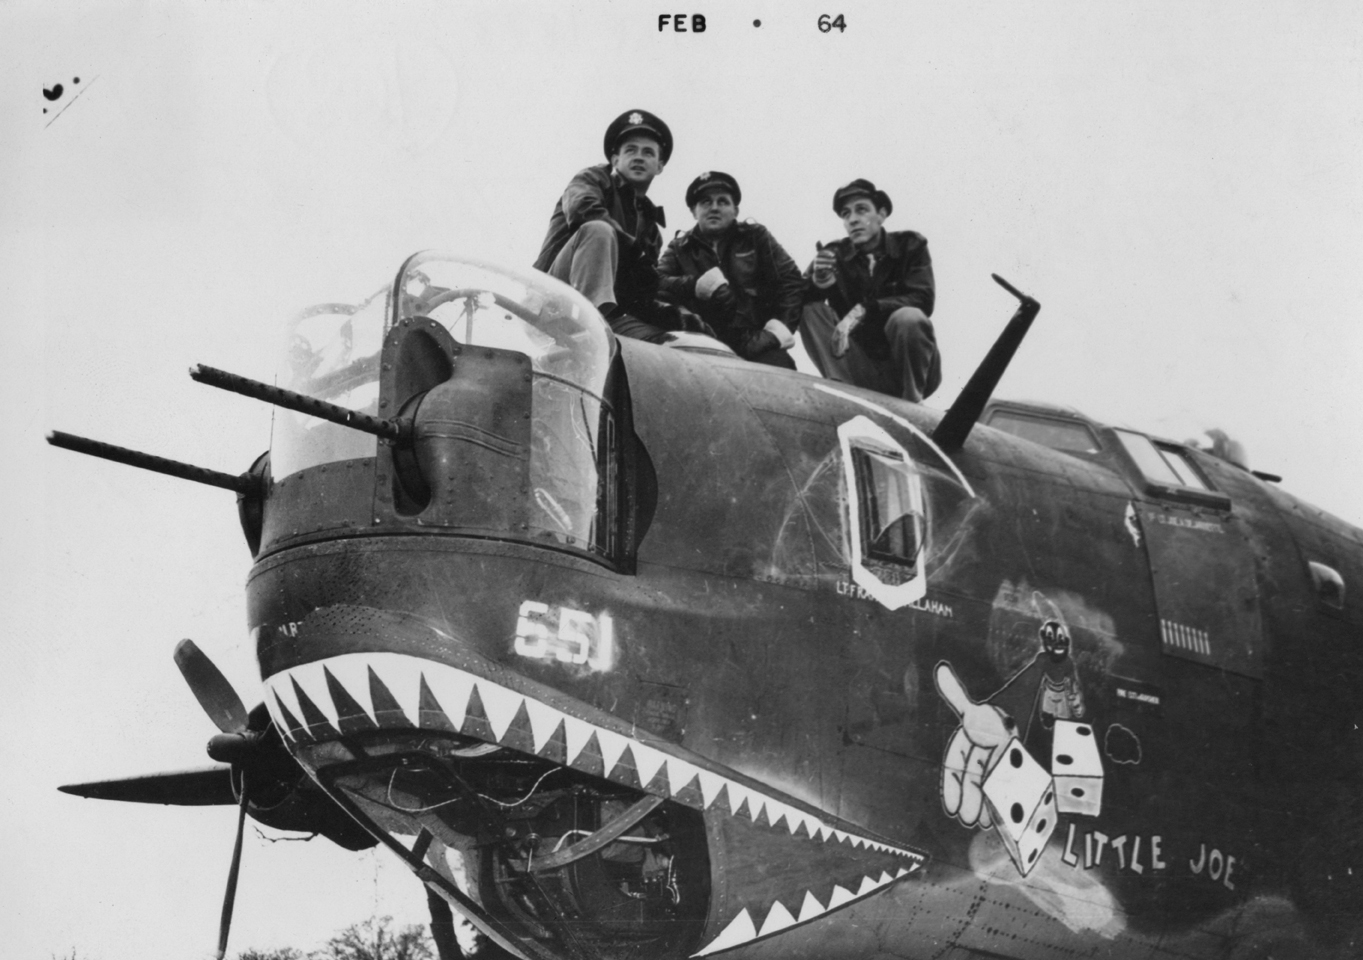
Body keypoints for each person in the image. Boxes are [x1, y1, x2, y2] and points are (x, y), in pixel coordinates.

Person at [534, 110, 698, 342]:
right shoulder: (592, 179)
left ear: (660, 166)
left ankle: (606, 324)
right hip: (550, 302)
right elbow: (583, 210)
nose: (639, 157)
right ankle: (592, 318)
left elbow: (644, 285)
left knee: (670, 342)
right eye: (630, 150)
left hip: (613, 313)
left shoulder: (651, 228)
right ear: (615, 160)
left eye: (648, 152)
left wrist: (673, 313)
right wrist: (634, 250)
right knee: (598, 230)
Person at [800, 179, 940, 402]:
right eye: (846, 214)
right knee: (810, 310)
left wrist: (868, 308)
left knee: (908, 317)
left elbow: (923, 298)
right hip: (860, 366)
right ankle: (843, 391)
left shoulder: (910, 245)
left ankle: (912, 401)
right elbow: (798, 302)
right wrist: (819, 282)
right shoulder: (834, 253)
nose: (853, 219)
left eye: (861, 210)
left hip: (909, 369)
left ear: (881, 215)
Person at [657, 171, 804, 368]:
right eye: (706, 202)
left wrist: (776, 332)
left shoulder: (756, 237)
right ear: (694, 211)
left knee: (782, 373)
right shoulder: (679, 247)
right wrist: (694, 286)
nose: (714, 208)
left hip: (754, 341)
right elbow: (657, 281)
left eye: (723, 202)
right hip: (700, 343)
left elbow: (791, 281)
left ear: (735, 210)